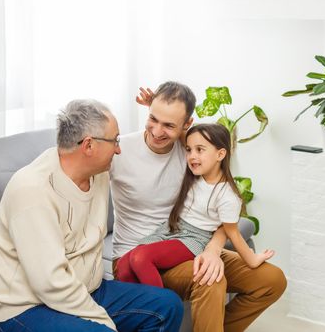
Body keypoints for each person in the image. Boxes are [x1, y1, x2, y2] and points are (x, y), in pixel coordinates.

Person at [0, 99, 183, 332]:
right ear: (89, 146)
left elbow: (152, 158)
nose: (119, 149)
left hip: (88, 289)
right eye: (115, 141)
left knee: (168, 306)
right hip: (28, 307)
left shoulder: (97, 173)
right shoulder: (31, 191)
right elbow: (50, 283)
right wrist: (102, 320)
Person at [110, 82, 287, 332]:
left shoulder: (192, 153)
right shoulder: (119, 149)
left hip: (189, 244)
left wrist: (214, 249)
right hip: (135, 254)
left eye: (169, 125)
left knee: (272, 280)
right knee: (210, 279)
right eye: (153, 119)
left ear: (186, 125)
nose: (157, 131)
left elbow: (222, 207)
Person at [116, 123, 276, 287]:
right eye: (189, 150)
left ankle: (163, 307)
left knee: (140, 257)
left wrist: (253, 260)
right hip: (171, 229)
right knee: (123, 266)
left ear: (220, 154)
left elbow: (233, 233)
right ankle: (139, 309)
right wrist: (162, 115)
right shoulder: (194, 175)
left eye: (199, 150)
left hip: (194, 238)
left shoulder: (227, 196)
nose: (192, 156)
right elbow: (179, 131)